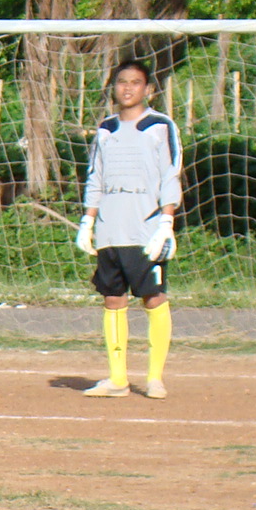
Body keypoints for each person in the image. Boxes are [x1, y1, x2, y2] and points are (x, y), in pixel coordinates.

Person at [76, 58, 182, 399]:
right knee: (112, 298)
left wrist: (166, 221)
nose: (128, 88)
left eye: (135, 82)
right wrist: (88, 220)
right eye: (122, 82)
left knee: (153, 297)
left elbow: (170, 174)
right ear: (114, 87)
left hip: (145, 226)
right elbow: (95, 177)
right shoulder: (105, 129)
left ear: (147, 89)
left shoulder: (160, 126)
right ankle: (117, 379)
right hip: (110, 227)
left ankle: (155, 378)